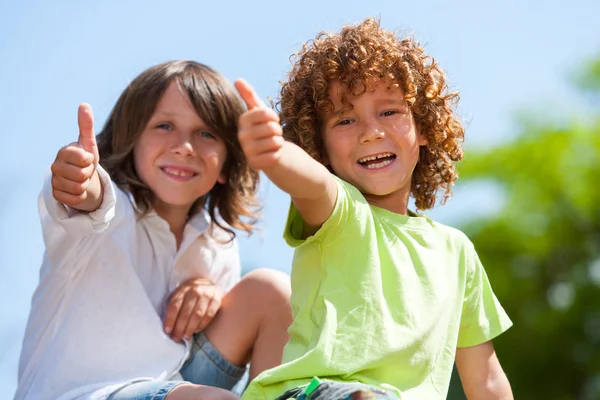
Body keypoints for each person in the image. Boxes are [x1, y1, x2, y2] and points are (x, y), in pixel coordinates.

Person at [234, 18, 513, 399]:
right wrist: (276, 152)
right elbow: (310, 183)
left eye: (390, 112)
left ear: (425, 126)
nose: (371, 131)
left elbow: (486, 380)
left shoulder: (456, 251)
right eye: (345, 119)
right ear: (319, 148)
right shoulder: (341, 213)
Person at [16, 60, 292, 400]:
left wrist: (212, 294)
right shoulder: (106, 210)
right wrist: (80, 182)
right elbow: (88, 201)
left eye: (206, 133)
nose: (184, 146)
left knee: (273, 291)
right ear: (131, 141)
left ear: (226, 165)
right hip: (85, 393)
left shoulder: (218, 244)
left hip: (178, 382)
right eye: (164, 126)